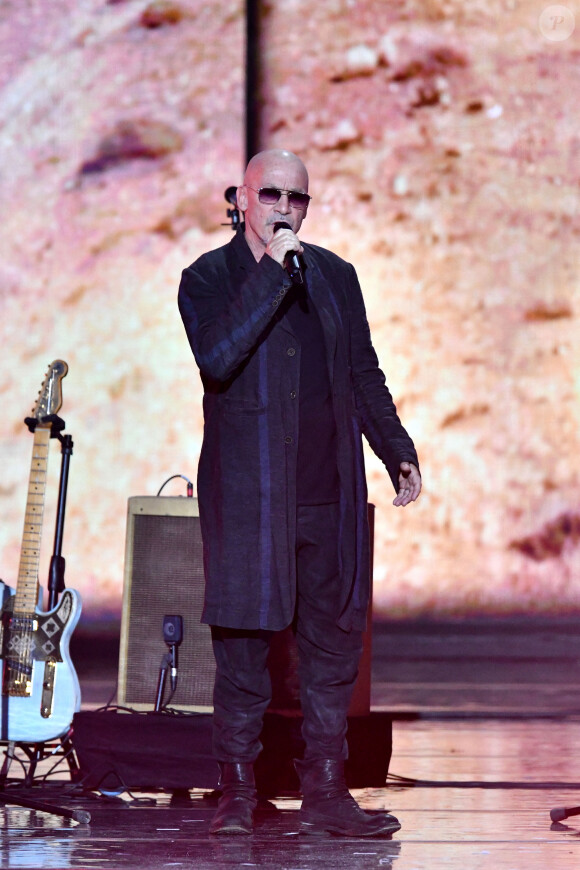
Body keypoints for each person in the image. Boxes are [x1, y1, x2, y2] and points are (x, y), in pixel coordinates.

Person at [178, 149, 421, 837]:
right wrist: (273, 273)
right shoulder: (209, 277)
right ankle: (236, 793)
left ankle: (326, 794)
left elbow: (363, 372)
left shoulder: (337, 276)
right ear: (242, 198)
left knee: (330, 651)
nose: (285, 208)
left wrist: (396, 450)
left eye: (298, 198)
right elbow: (219, 356)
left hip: (328, 493)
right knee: (245, 653)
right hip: (252, 497)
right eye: (272, 194)